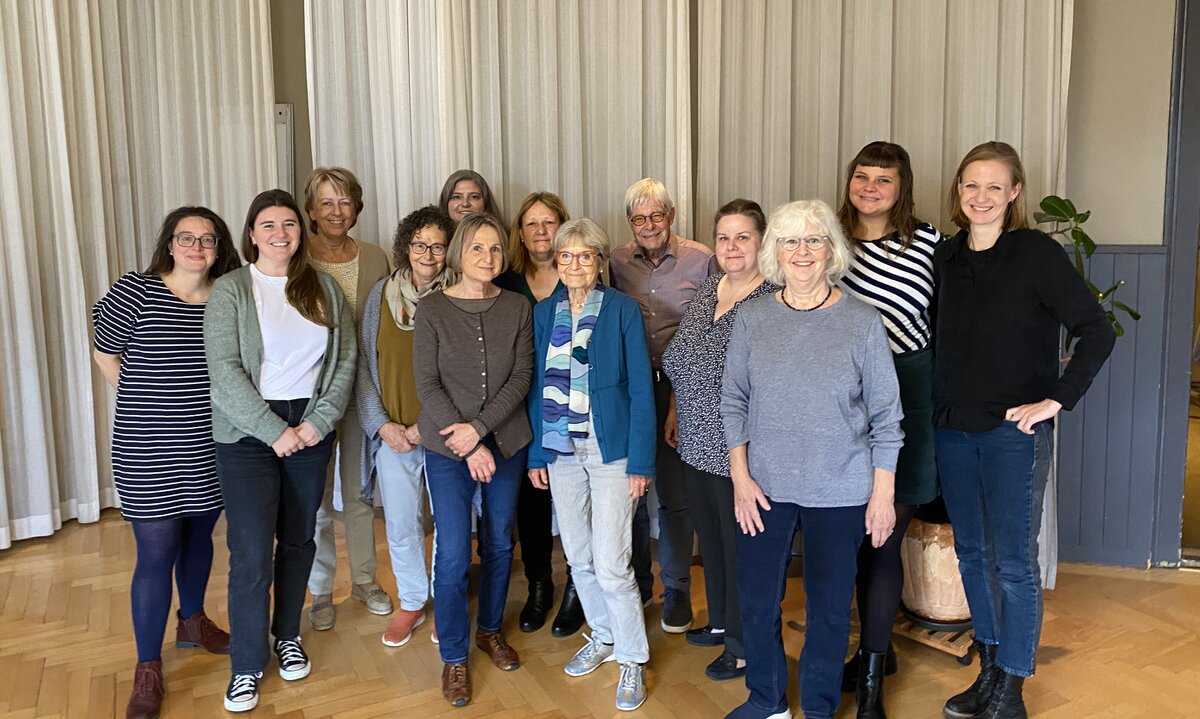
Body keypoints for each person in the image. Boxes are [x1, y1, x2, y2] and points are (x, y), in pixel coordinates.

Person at [934, 142, 1115, 719]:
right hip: (953, 431)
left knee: (1012, 560)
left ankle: (1011, 686)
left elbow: (1097, 331)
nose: (980, 197)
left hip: (1013, 434)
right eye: (970, 186)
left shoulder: (1035, 253)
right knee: (970, 553)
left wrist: (1055, 400)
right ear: (957, 193)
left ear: (1014, 193)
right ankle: (988, 670)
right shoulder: (946, 258)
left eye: (994, 186)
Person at [721, 199, 903, 719]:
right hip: (764, 487)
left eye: (814, 240)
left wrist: (882, 494)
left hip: (842, 488)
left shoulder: (864, 323)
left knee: (828, 607)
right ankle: (767, 700)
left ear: (831, 250)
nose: (802, 252)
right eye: (790, 241)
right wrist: (739, 478)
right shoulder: (753, 318)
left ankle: (820, 707)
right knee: (758, 600)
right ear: (775, 251)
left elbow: (887, 416)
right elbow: (733, 400)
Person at [205, 189, 356, 713]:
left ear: (300, 230)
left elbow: (343, 361)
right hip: (248, 434)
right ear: (251, 234)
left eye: (288, 224)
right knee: (250, 551)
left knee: (298, 539)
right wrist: (274, 430)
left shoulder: (325, 288)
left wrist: (317, 421)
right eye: (267, 225)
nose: (279, 233)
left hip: (311, 431)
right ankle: (247, 663)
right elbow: (223, 372)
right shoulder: (231, 290)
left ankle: (287, 635)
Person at [93, 206, 241, 719]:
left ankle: (193, 621)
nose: (197, 247)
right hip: (146, 446)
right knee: (156, 552)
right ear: (170, 243)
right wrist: (139, 396)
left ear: (219, 248)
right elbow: (104, 351)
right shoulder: (134, 290)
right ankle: (147, 666)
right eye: (187, 237)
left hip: (209, 445)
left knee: (199, 538)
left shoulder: (227, 296)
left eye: (207, 239)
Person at [527, 218, 656, 711]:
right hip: (561, 450)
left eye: (585, 256)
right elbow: (539, 386)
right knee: (577, 556)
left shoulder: (623, 310)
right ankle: (602, 636)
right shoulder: (544, 312)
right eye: (566, 256)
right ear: (555, 261)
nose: (575, 264)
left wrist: (640, 461)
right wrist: (539, 450)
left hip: (612, 450)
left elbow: (642, 389)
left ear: (600, 262)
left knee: (611, 561)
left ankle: (631, 658)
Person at [833, 141, 942, 716]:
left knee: (884, 538)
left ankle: (872, 676)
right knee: (856, 538)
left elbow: (944, 323)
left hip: (911, 397)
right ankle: (877, 651)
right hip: (842, 402)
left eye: (883, 179)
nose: (870, 187)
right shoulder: (827, 239)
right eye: (861, 176)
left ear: (902, 188)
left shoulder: (928, 243)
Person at [413, 212, 533, 707]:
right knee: (455, 552)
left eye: (496, 250)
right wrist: (467, 441)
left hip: (505, 442)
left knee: (501, 543)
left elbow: (521, 378)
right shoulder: (432, 309)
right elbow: (428, 384)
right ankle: (455, 656)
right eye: (478, 248)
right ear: (460, 252)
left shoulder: (518, 307)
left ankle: (489, 629)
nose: (488, 258)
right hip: (446, 447)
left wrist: (481, 432)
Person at [661, 199, 779, 683]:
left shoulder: (771, 298)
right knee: (711, 542)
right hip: (694, 441)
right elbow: (682, 359)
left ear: (761, 242)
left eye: (743, 237)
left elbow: (769, 386)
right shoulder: (711, 288)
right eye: (724, 238)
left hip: (739, 451)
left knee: (739, 550)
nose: (732, 247)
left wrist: (747, 459)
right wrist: (674, 410)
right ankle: (724, 621)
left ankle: (745, 647)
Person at [608, 177, 715, 632]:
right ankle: (635, 583)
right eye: (638, 218)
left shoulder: (702, 259)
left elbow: (712, 333)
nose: (648, 226)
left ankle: (675, 589)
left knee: (674, 497)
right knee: (628, 493)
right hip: (629, 390)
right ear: (629, 222)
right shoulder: (613, 261)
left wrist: (677, 400)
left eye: (656, 216)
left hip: (681, 388)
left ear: (671, 216)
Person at [356, 205, 456, 648]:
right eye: (420, 245)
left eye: (437, 245)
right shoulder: (381, 295)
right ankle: (413, 601)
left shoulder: (461, 294)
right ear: (406, 247)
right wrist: (381, 425)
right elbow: (364, 365)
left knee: (450, 525)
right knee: (400, 524)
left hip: (443, 433)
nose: (429, 254)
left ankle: (447, 603)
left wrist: (424, 427)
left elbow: (466, 374)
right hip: (392, 436)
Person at [303, 167, 394, 629]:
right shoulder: (296, 258)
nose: (336, 211)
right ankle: (321, 591)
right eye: (326, 202)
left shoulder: (377, 257)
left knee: (358, 491)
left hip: (362, 391)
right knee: (315, 500)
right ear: (312, 211)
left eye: (345, 202)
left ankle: (363, 580)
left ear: (357, 207)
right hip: (311, 396)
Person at [495, 191, 585, 636]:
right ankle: (538, 585)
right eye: (532, 224)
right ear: (521, 233)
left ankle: (575, 588)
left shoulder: (582, 276)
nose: (541, 232)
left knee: (575, 502)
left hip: (574, 409)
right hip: (520, 406)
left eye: (549, 222)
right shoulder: (507, 282)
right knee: (530, 503)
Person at [438, 169, 504, 225]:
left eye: (474, 197)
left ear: (486, 202)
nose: (465, 204)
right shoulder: (433, 238)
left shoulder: (505, 238)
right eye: (457, 197)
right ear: (445, 202)